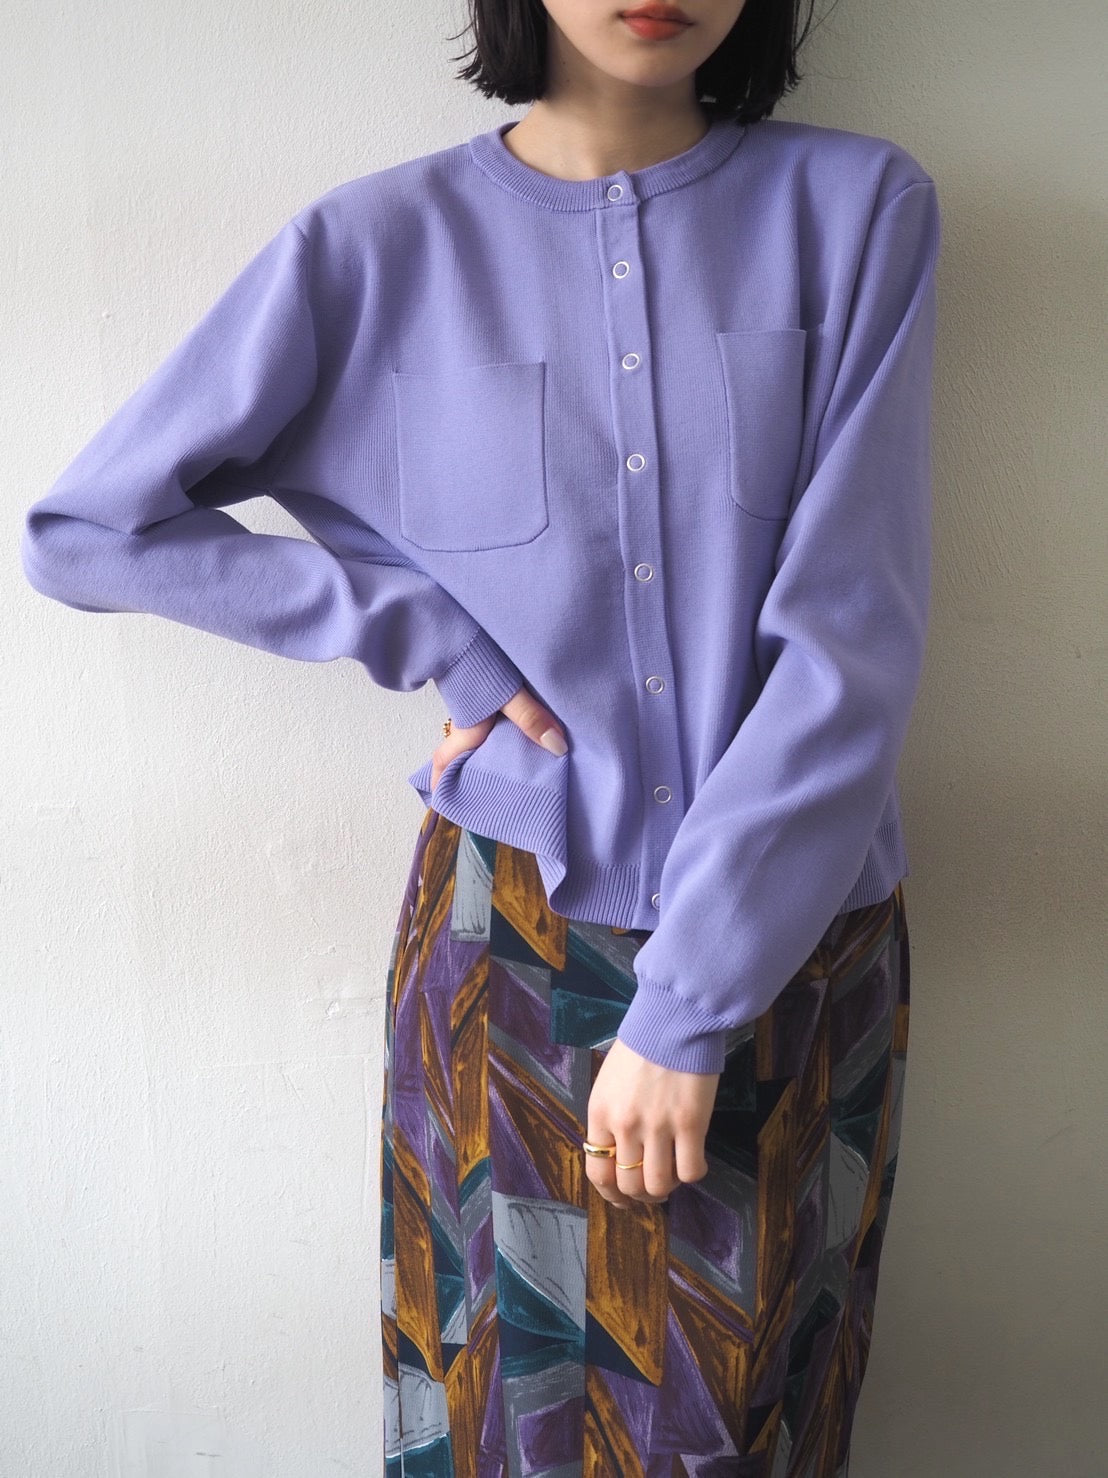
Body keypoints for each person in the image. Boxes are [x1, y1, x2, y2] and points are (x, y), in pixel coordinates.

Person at [20, 0, 940, 1470]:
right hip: (511, 938)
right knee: (504, 1416)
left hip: (794, 935)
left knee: (747, 1425)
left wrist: (686, 1009)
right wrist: (428, 631)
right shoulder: (372, 246)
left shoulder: (857, 209)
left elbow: (852, 636)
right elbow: (86, 530)